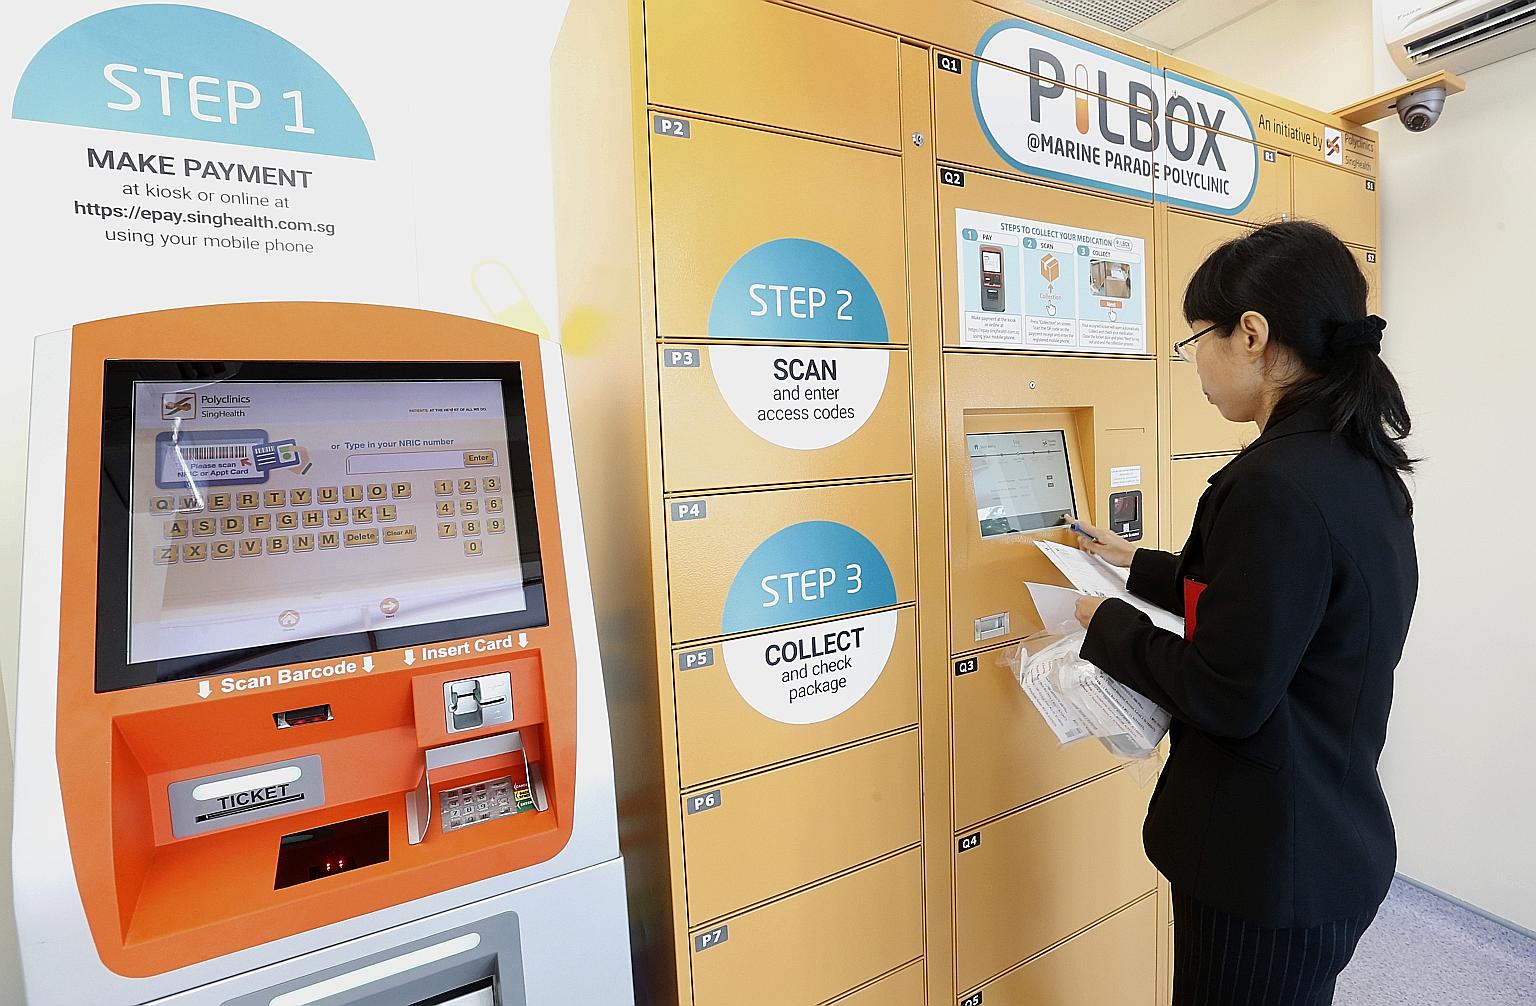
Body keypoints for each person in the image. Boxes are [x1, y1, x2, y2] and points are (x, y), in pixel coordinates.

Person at [1069, 221, 1419, 1005]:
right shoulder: (1355, 462)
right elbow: (1274, 605)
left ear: (1252, 334)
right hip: (1328, 828)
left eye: (1197, 337)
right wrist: (1140, 567)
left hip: (1264, 865)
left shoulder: (1276, 484)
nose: (1195, 360)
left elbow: (1228, 688)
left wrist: (1104, 622)